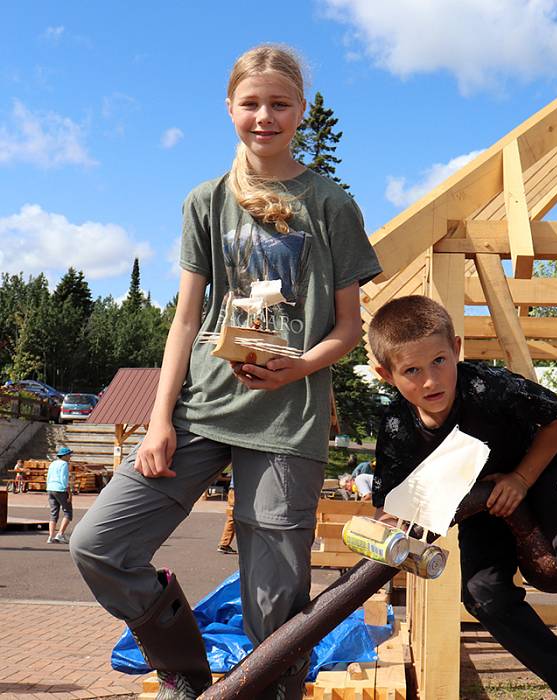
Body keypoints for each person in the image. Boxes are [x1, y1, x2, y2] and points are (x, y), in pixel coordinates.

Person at [69, 44, 381, 700]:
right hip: (198, 413)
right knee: (98, 543)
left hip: (286, 427)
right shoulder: (206, 201)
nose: (264, 116)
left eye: (279, 104)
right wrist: (158, 421)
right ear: (229, 109)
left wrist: (297, 366)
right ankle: (185, 666)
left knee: (273, 607)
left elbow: (349, 329)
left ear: (299, 110)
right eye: (251, 103)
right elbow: (185, 321)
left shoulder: (330, 204)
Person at [367, 295, 557, 700]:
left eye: (439, 362)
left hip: (537, 473)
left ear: (456, 349)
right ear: (386, 374)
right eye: (412, 370)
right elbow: (387, 505)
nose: (430, 381)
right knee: (481, 594)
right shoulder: (397, 425)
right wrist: (391, 529)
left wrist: (521, 478)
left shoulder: (488, 386)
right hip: (479, 505)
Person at [46, 447, 73, 544]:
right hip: (60, 489)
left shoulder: (53, 463)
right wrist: (69, 492)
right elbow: (64, 478)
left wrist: (48, 486)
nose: (70, 456)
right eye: (69, 454)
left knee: (54, 513)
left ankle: (50, 536)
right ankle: (60, 534)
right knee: (68, 512)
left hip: (50, 487)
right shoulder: (64, 464)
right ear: (65, 456)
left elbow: (48, 476)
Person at [217, 472, 236, 554]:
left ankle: (224, 544)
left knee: (232, 516)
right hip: (238, 489)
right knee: (232, 517)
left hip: (235, 488)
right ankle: (224, 544)